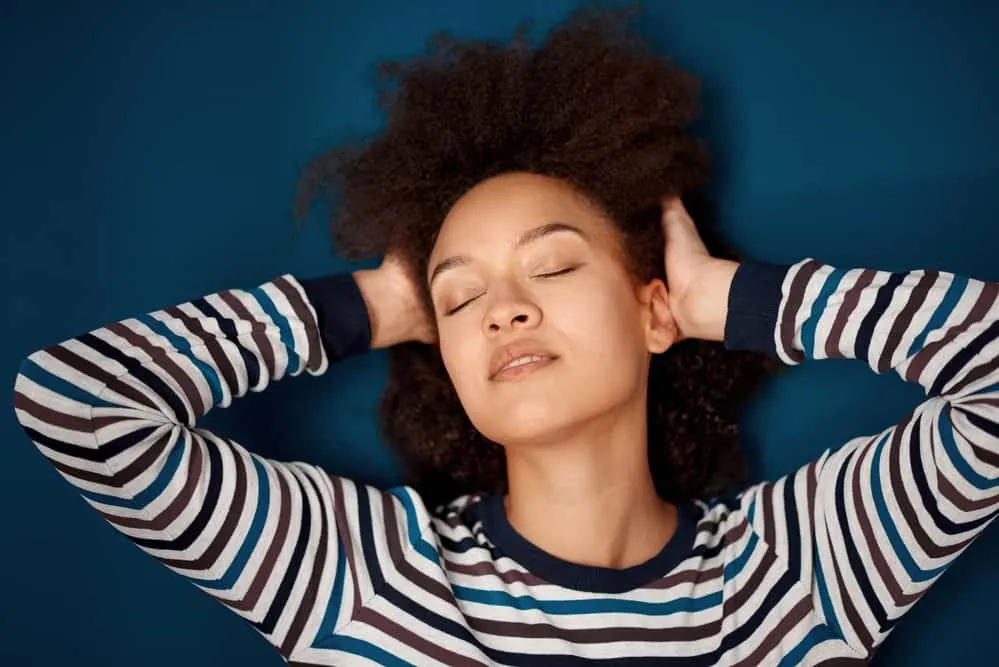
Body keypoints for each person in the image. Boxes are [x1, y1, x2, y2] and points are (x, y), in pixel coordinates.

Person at [12, 7, 999, 667]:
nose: (503, 309)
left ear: (653, 309)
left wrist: (727, 300)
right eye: (460, 296)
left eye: (555, 264)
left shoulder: (803, 565)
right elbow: (75, 405)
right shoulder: (359, 574)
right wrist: (380, 305)